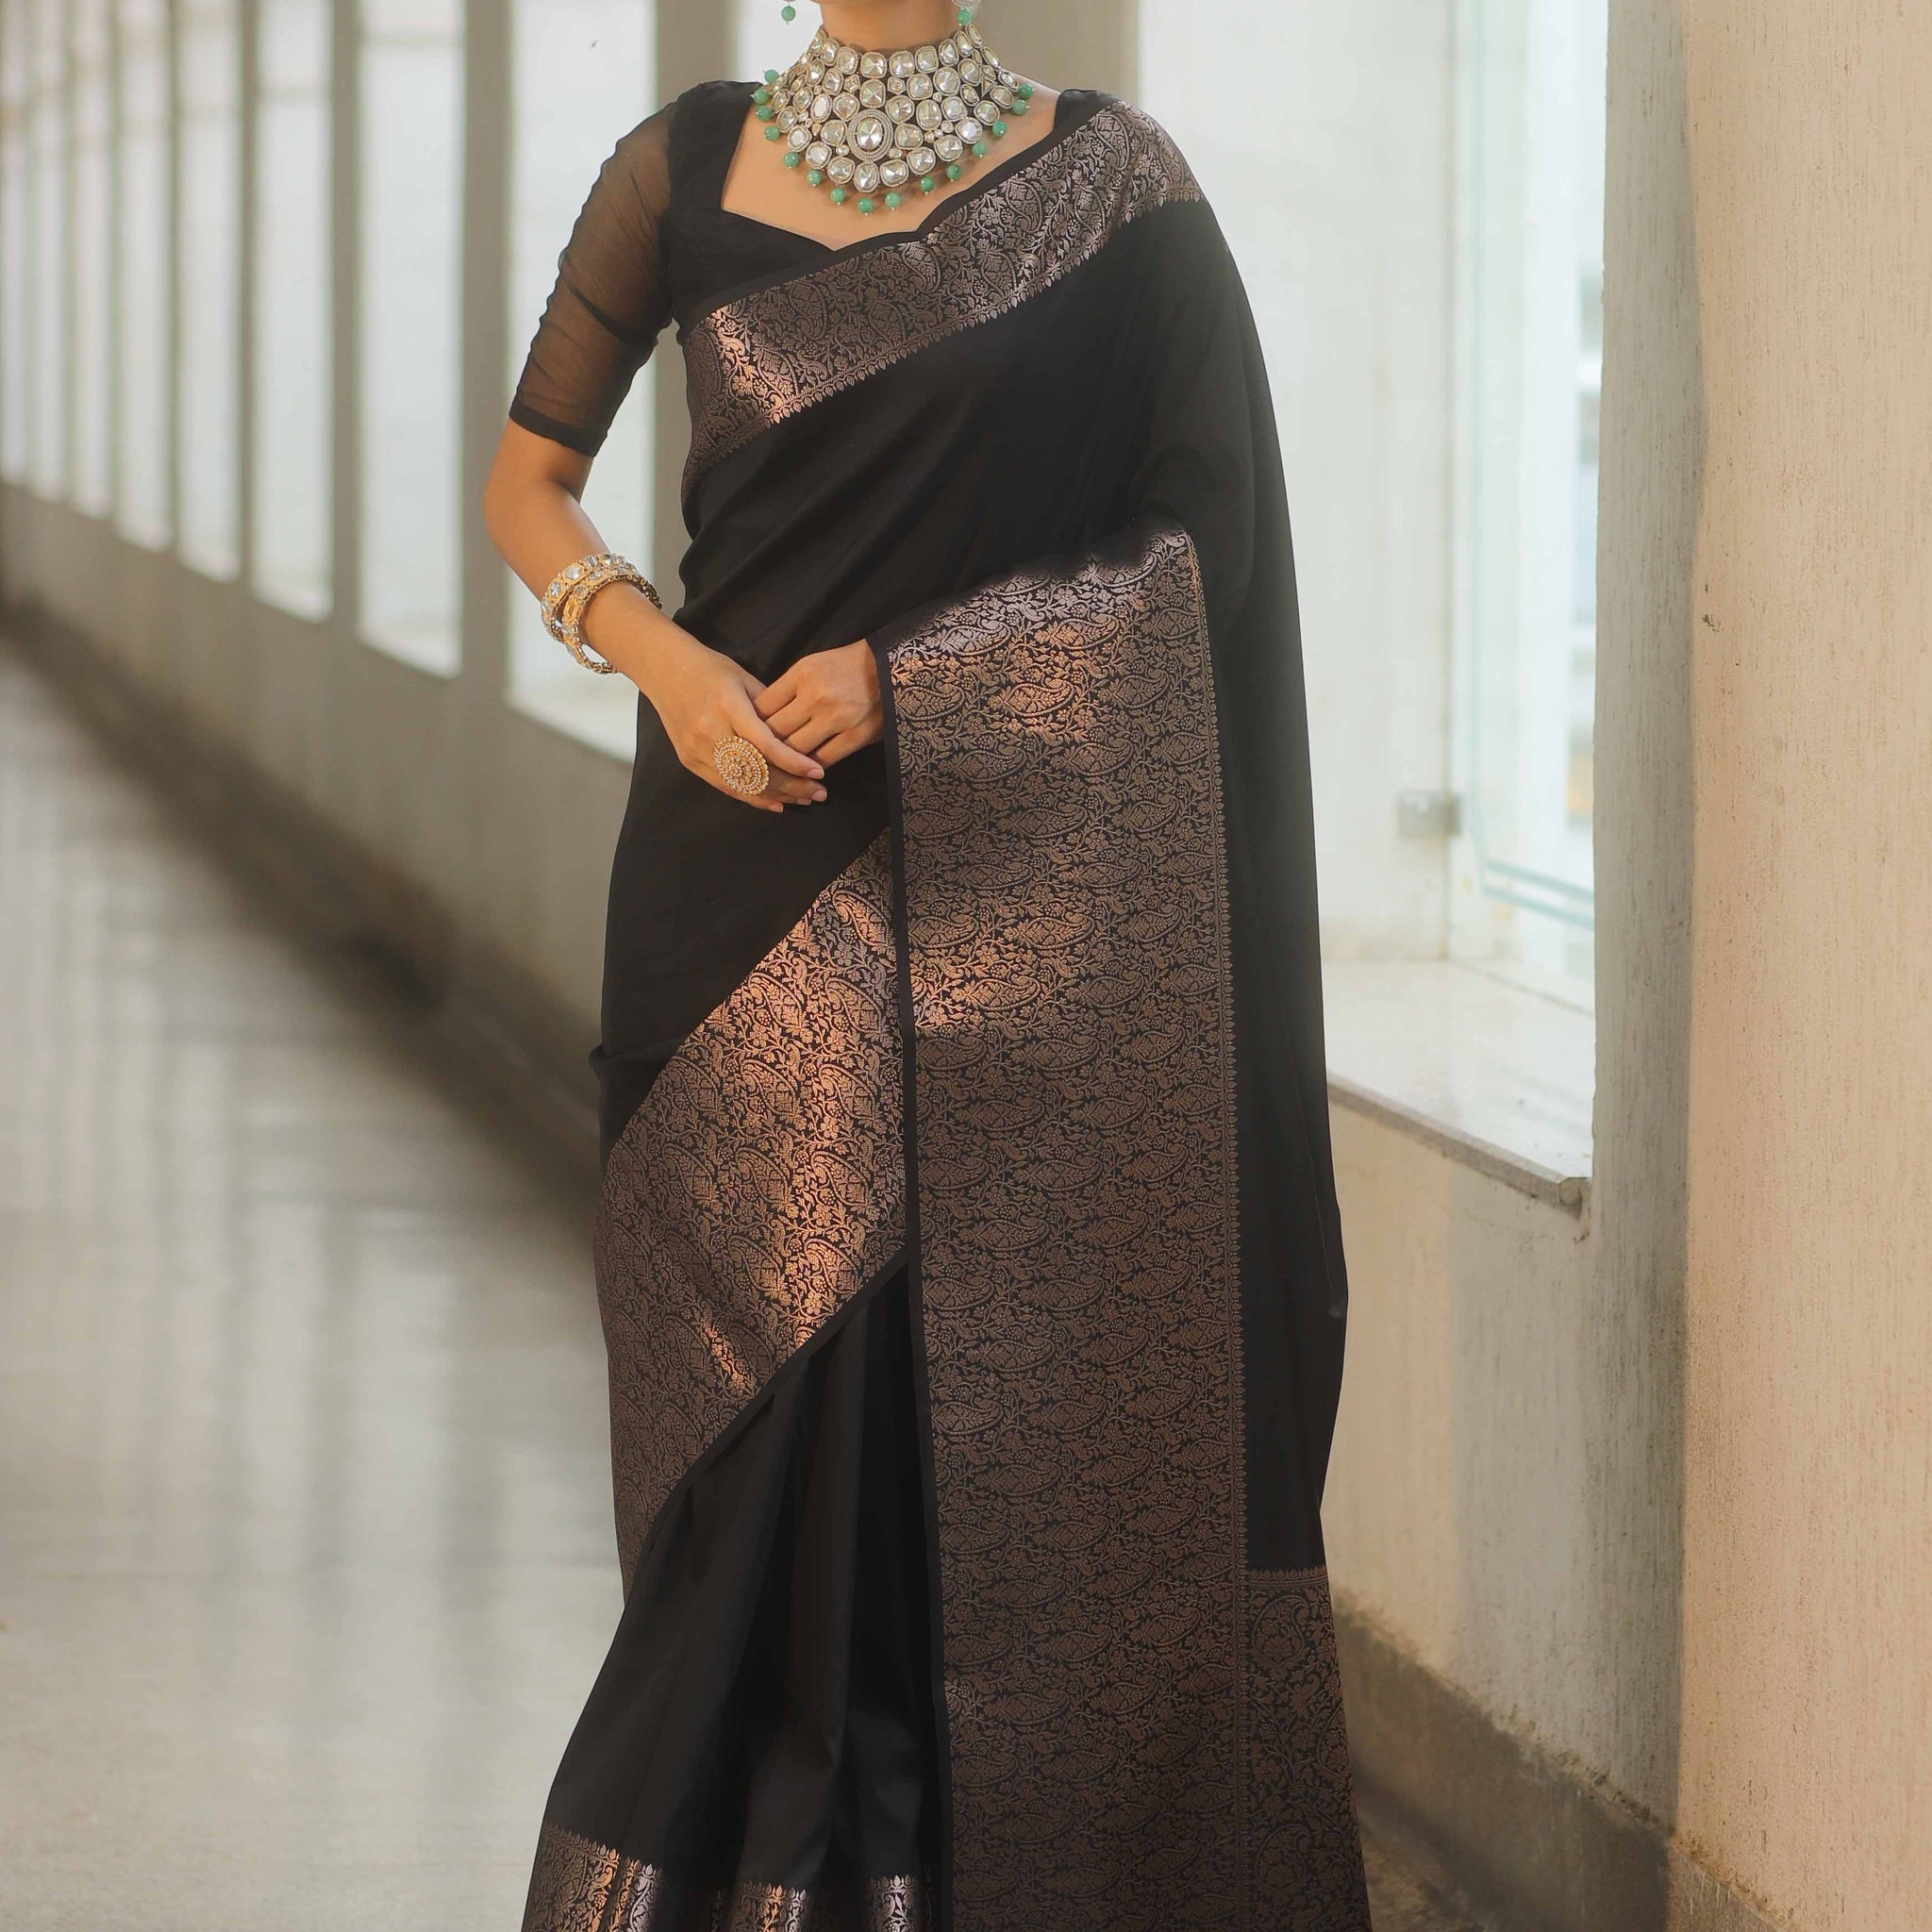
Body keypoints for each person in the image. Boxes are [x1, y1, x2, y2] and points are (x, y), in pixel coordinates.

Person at [483, 3, 1370, 1925]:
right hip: (730, 905)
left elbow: (1205, 554)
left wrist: (924, 677)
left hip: (1027, 935)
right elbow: (524, 480)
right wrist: (663, 656)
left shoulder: (1110, 191)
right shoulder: (678, 169)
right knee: (750, 1513)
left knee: (966, 1478)